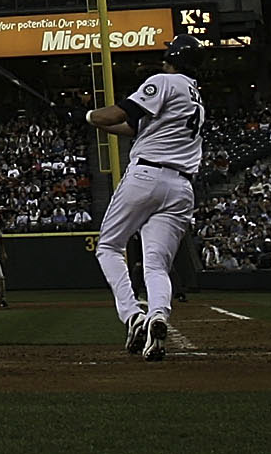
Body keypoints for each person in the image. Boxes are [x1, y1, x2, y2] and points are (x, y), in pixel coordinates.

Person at [86, 34, 205, 361]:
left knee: (109, 247)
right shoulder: (194, 95)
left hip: (147, 176)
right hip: (181, 188)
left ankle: (133, 314)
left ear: (173, 56)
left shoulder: (164, 81)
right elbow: (132, 127)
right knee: (156, 265)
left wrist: (88, 117)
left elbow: (113, 114)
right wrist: (102, 125)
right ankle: (158, 318)